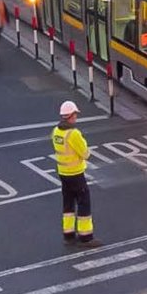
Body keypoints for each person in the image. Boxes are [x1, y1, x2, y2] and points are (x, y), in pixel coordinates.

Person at [52, 100, 99, 245]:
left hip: (63, 173)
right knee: (84, 202)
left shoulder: (56, 131)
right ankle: (86, 236)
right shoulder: (74, 134)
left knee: (68, 204)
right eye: (75, 114)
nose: (76, 117)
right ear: (71, 116)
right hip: (76, 173)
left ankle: (69, 233)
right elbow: (85, 154)